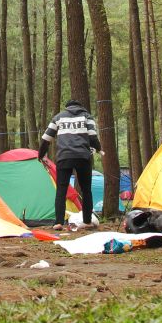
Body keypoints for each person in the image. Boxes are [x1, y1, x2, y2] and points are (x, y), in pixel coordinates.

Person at [39, 99, 101, 231]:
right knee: (86, 190)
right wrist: (99, 149)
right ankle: (87, 221)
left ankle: (59, 222)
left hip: (64, 157)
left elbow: (46, 139)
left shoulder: (58, 117)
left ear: (67, 107)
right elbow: (93, 137)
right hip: (83, 157)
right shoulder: (86, 117)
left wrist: (41, 154)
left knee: (61, 190)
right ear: (80, 106)